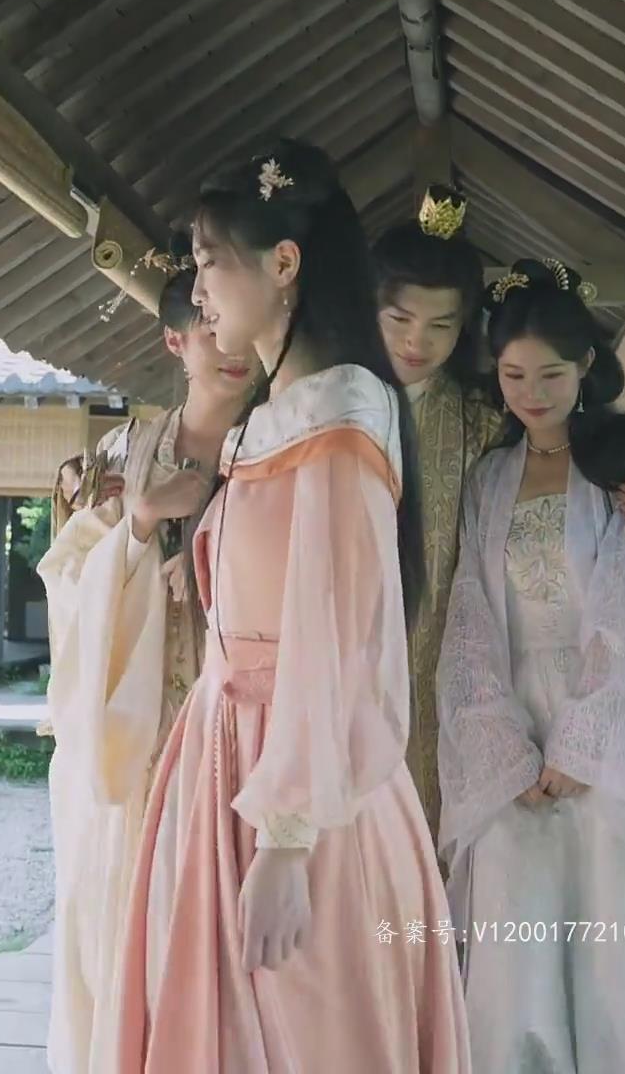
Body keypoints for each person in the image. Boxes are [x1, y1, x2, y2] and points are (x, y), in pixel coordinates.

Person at [115, 141, 472, 1073]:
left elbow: (338, 639)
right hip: (234, 758)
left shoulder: (338, 421)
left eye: (209, 263)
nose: (199, 290)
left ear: (283, 264)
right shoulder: (287, 416)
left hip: (303, 791)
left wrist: (285, 841)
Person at [437, 258, 625, 1073]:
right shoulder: (488, 478)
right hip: (514, 719)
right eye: (514, 374)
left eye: (551, 374)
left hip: (616, 714)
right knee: (516, 920)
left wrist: (587, 741)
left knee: (610, 917)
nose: (531, 392)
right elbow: (470, 614)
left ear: (586, 366)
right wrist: (498, 741)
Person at [372, 196, 625, 845]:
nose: (416, 341)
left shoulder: (481, 420)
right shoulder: (333, 404)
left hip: (497, 676)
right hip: (399, 662)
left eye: (441, 324)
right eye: (401, 318)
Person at [38, 251, 258, 1074]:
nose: (228, 347)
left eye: (235, 327)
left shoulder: (274, 443)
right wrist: (134, 534)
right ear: (175, 342)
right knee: (132, 926)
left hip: (241, 728)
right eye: (207, 331)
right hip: (141, 738)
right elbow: (66, 578)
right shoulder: (123, 452)